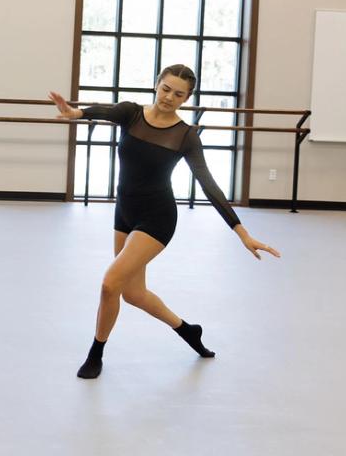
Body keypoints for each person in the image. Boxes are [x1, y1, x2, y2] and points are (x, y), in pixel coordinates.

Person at [49, 64, 280, 380]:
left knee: (109, 283)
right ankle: (188, 330)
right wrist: (75, 114)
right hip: (125, 212)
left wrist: (242, 232)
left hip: (157, 217)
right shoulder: (131, 113)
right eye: (166, 89)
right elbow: (100, 111)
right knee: (132, 293)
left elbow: (208, 184)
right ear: (157, 85)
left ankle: (95, 354)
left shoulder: (185, 136)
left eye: (179, 94)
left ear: (187, 98)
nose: (170, 97)